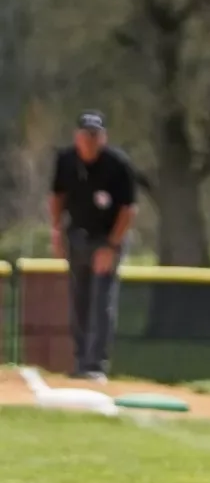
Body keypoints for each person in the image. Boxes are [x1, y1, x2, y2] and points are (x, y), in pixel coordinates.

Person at [47, 111, 138, 381]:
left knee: (101, 301)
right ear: (77, 137)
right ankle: (80, 361)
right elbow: (57, 196)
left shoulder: (117, 164)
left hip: (107, 238)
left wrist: (111, 246)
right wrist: (56, 230)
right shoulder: (66, 161)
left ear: (103, 137)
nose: (90, 141)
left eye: (95, 136)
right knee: (79, 299)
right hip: (77, 235)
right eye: (85, 135)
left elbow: (128, 209)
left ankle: (96, 365)